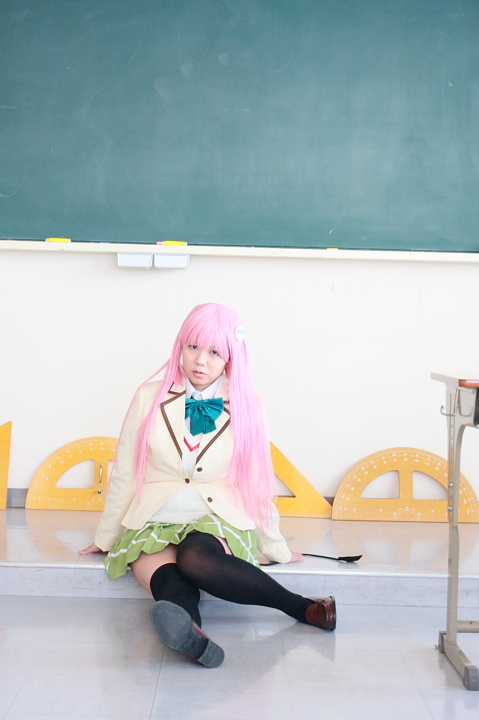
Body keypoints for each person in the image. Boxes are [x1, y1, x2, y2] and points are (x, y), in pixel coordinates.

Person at [80, 303, 335, 667]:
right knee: (167, 578)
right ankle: (192, 635)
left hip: (214, 516)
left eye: (214, 352)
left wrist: (275, 547)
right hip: (155, 515)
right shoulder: (149, 396)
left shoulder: (247, 404)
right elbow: (124, 472)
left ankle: (302, 606)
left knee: (195, 556)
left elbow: (257, 485)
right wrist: (105, 537)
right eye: (193, 347)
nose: (200, 360)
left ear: (231, 357)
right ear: (180, 346)